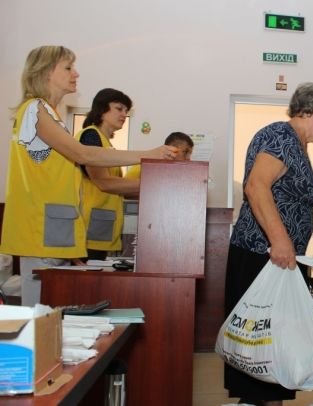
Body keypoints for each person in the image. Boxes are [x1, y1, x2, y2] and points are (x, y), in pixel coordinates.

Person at [0, 46, 177, 306]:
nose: (76, 74)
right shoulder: (34, 108)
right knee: (39, 317)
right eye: (68, 67)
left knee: (51, 314)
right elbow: (83, 154)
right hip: (39, 229)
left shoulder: (49, 113)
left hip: (53, 232)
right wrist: (149, 154)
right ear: (46, 71)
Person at [224, 82, 313, 406]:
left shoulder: (296, 144)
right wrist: (280, 240)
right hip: (263, 254)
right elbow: (256, 186)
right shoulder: (281, 135)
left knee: (272, 349)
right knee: (262, 345)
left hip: (278, 258)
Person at [76, 88, 140, 260]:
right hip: (89, 227)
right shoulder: (90, 135)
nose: (124, 115)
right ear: (102, 109)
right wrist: (151, 185)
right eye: (119, 109)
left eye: (126, 111)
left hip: (102, 226)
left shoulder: (107, 144)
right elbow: (104, 182)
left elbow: (119, 188)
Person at [125, 131, 193, 179]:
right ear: (171, 149)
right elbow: (125, 193)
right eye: (185, 152)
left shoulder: (180, 172)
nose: (189, 158)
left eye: (190, 153)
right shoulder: (141, 168)